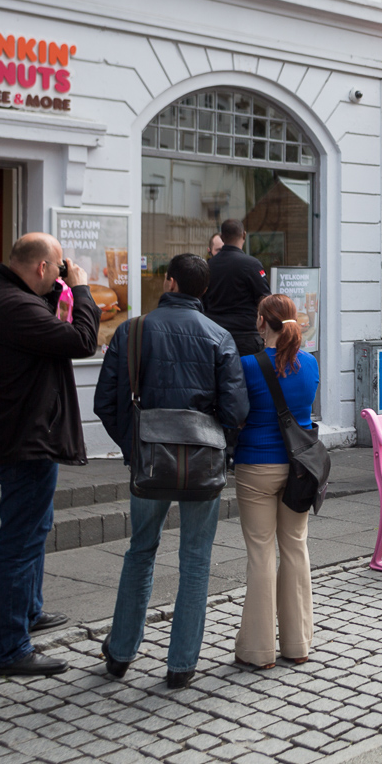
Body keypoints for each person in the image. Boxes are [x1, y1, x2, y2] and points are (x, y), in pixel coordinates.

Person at [96, 253, 248, 689]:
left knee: (140, 552)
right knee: (196, 561)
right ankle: (181, 665)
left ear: (169, 283)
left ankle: (121, 653)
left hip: (149, 464)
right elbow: (236, 409)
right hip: (202, 465)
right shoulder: (219, 335)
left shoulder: (133, 329)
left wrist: (135, 445)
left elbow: (105, 403)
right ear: (203, 291)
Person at [0, 233, 101, 677]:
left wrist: (61, 292)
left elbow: (51, 334)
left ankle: (27, 612)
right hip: (23, 440)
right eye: (58, 268)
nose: (61, 274)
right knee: (21, 542)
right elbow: (81, 340)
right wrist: (80, 289)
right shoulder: (14, 306)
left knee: (33, 529)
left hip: (16, 436)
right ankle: (10, 648)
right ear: (43, 267)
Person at [232, 293, 319, 670]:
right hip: (299, 466)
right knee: (295, 548)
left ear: (261, 322)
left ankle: (258, 650)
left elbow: (236, 412)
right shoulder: (311, 364)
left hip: (256, 464)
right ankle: (298, 643)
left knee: (261, 553)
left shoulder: (247, 366)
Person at [204, 218, 270, 356]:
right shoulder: (251, 265)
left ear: (222, 237)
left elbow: (202, 300)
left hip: (215, 337)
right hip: (246, 338)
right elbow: (265, 300)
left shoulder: (208, 266)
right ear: (244, 235)